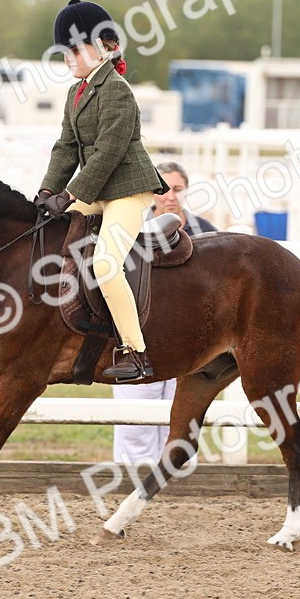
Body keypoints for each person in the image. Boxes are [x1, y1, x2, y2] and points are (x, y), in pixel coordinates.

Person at [35, 0, 170, 382]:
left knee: (106, 264)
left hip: (128, 189)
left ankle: (136, 352)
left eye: (74, 50)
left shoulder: (117, 91)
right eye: (65, 51)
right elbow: (64, 147)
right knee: (48, 231)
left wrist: (72, 194)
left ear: (102, 48)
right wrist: (47, 191)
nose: (68, 58)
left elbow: (109, 152)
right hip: (99, 190)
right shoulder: (76, 93)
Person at [112, 161, 216, 464]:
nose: (171, 196)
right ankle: (131, 476)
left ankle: (179, 478)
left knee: (182, 416)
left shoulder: (207, 233)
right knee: (135, 420)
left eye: (178, 189)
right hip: (141, 333)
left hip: (189, 337)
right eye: (165, 189)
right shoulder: (128, 229)